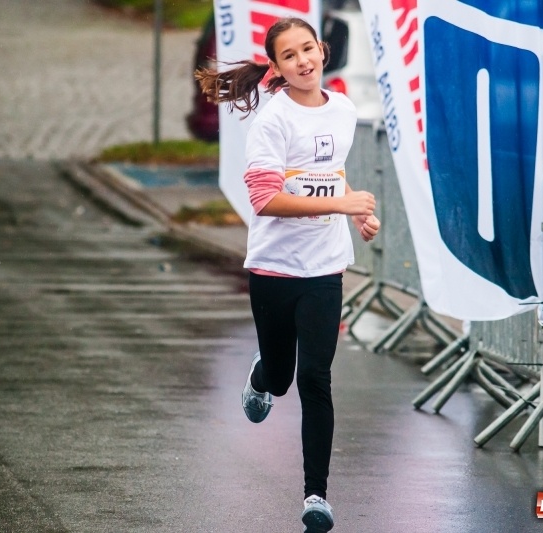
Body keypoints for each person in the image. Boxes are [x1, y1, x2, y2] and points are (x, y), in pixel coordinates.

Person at [195, 16, 381, 533]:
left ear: (322, 50)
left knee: (315, 379)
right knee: (280, 379)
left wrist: (359, 214)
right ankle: (261, 375)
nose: (303, 61)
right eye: (290, 56)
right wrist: (342, 202)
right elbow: (264, 200)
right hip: (275, 269)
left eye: (308, 49)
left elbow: (333, 174)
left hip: (324, 268)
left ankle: (316, 496)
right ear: (276, 67)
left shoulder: (342, 109)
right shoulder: (273, 121)